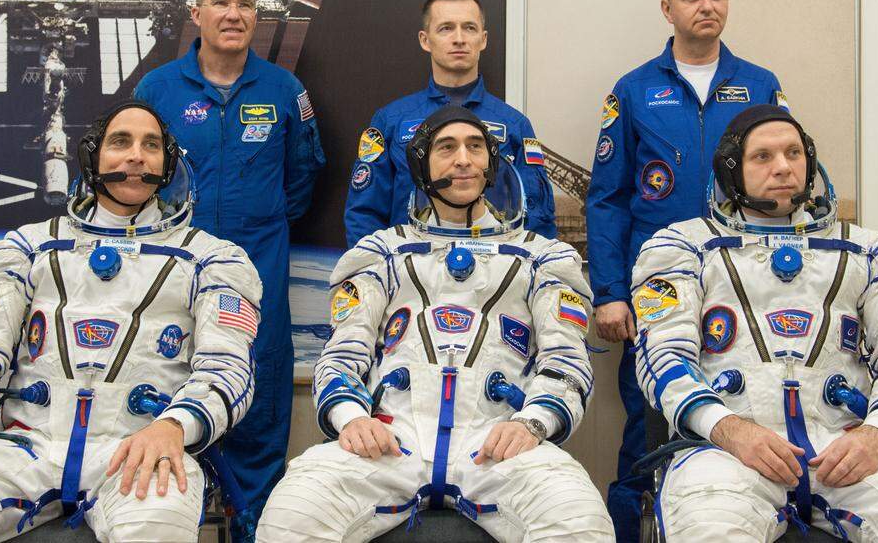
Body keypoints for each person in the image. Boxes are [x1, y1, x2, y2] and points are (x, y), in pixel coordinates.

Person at [0, 101, 263, 542]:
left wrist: (173, 426)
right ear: (93, 157)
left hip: (140, 449)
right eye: (120, 142)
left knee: (158, 529)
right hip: (27, 449)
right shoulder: (27, 249)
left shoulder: (213, 259)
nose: (136, 155)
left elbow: (228, 369)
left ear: (167, 164)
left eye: (151, 145)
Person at [259, 106, 613, 542]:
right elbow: (341, 357)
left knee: (581, 522)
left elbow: (567, 362)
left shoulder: (542, 257)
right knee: (290, 515)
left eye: (476, 148)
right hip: (391, 437)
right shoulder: (383, 254)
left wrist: (532, 423)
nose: (464, 159)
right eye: (447, 148)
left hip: (498, 440)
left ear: (492, 164)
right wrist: (353, 418)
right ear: (421, 165)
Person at [632, 105, 878, 541]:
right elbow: (663, 359)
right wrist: (729, 429)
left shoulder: (870, 252)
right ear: (731, 171)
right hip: (728, 450)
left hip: (845, 446)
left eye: (794, 153)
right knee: (711, 527)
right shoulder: (683, 248)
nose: (783, 168)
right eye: (763, 157)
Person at [585, 0, 785, 540]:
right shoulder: (634, 89)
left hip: (745, 288)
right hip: (658, 290)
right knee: (647, 429)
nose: (707, 6)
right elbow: (607, 199)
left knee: (748, 414)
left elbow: (785, 189)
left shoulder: (760, 85)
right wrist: (609, 292)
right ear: (667, 7)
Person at [134, 0, 324, 534]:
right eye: (221, 3)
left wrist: (254, 227)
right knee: (167, 390)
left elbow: (303, 177)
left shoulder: (285, 91)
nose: (234, 15)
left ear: (257, 17)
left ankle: (253, 522)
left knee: (259, 393)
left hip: (257, 275)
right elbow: (136, 177)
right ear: (197, 14)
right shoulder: (157, 90)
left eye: (245, 5)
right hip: (173, 275)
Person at [344, 0, 555, 247]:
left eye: (469, 28)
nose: (459, 39)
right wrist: (379, 270)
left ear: (483, 38)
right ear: (425, 39)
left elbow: (538, 218)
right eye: (445, 28)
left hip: (494, 276)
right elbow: (364, 214)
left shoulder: (514, 124)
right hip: (410, 275)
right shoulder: (391, 121)